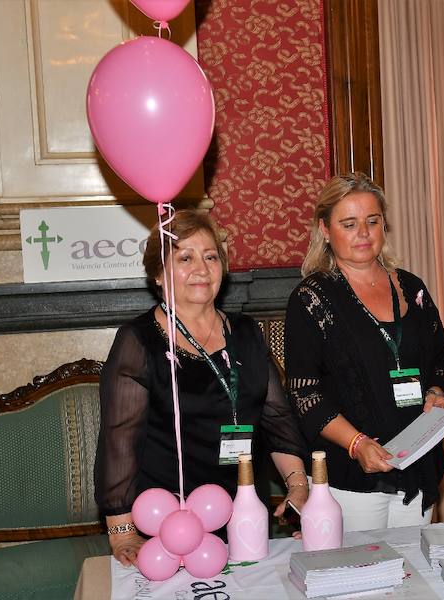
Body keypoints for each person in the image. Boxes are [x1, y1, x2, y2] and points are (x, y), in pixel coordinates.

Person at [95, 209, 309, 566]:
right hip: (168, 524)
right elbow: (120, 440)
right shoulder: (139, 341)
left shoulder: (246, 333)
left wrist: (299, 488)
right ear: (159, 274)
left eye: (211, 256)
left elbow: (278, 421)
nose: (201, 267)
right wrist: (122, 531)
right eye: (185, 257)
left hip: (244, 516)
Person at [285, 173, 444, 532]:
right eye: (349, 224)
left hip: (419, 464)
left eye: (372, 221)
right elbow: (304, 392)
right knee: (364, 579)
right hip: (352, 478)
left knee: (415, 580)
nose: (363, 233)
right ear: (325, 230)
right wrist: (356, 443)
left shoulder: (413, 288)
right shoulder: (310, 299)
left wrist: (440, 394)